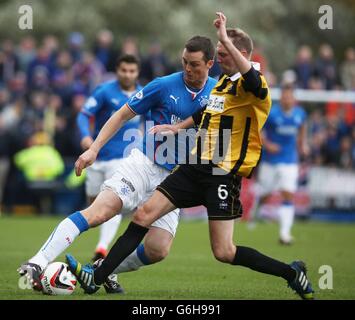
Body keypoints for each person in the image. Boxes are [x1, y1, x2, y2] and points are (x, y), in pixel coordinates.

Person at [67, 12, 314, 300]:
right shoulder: (223, 84)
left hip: (223, 174)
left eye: (224, 52)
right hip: (195, 165)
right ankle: (96, 276)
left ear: (242, 53)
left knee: (224, 252)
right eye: (219, 52)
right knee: (144, 213)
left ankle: (292, 273)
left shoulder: (255, 86)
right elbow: (204, 112)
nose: (219, 57)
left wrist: (224, 37)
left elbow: (251, 77)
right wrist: (177, 127)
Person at [18, 36, 217, 294]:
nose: (188, 69)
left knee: (158, 250)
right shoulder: (163, 85)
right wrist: (93, 148)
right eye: (184, 62)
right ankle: (37, 262)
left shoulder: (219, 94)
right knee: (99, 212)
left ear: (210, 63)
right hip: (144, 165)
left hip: (176, 179)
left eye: (194, 64)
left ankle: (104, 268)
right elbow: (123, 114)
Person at [77, 54, 142, 263]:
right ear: (117, 70)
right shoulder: (105, 91)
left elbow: (153, 122)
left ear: (137, 72)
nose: (128, 74)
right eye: (124, 70)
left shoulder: (144, 94)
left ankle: (102, 249)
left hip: (122, 159)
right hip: (97, 158)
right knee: (93, 205)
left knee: (113, 202)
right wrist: (86, 137)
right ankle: (98, 241)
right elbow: (84, 114)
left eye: (132, 71)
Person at [250, 85, 308, 245]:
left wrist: (303, 145)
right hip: (270, 161)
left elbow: (303, 127)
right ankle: (255, 213)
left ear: (293, 99)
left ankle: (284, 234)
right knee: (266, 195)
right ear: (281, 97)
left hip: (290, 160)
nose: (287, 99)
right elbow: (258, 130)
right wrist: (267, 145)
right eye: (284, 96)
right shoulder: (273, 113)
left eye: (289, 96)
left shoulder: (300, 113)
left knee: (288, 194)